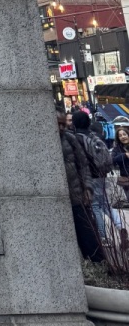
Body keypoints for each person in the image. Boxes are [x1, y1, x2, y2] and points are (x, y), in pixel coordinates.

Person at [59, 111, 103, 261]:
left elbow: (84, 166)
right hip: (58, 199)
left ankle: (99, 267)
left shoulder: (70, 138)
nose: (61, 128)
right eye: (58, 124)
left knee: (89, 240)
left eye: (63, 124)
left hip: (77, 198)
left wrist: (88, 188)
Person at [73, 108, 111, 242]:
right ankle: (120, 226)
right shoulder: (94, 136)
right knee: (105, 205)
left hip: (90, 176)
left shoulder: (77, 138)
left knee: (95, 206)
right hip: (102, 174)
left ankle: (103, 236)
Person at [111, 123, 129, 205]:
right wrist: (124, 155)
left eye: (124, 134)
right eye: (120, 136)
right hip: (126, 179)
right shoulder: (116, 149)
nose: (123, 137)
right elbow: (112, 160)